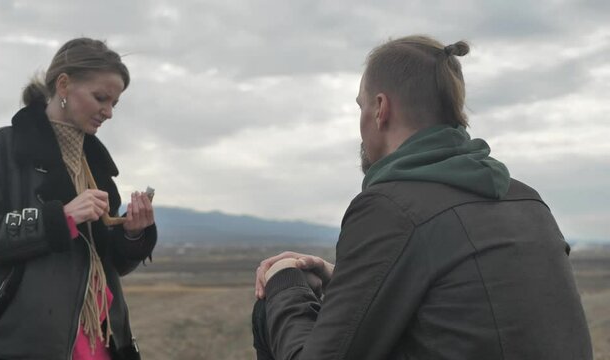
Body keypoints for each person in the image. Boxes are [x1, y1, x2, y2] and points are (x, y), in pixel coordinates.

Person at [252, 35, 593, 360]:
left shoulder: (390, 208)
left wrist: (284, 282)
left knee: (269, 307)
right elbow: (464, 315)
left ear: (380, 109)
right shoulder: (526, 200)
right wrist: (343, 278)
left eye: (361, 105)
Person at [0, 38, 157, 359]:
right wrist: (60, 218)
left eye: (115, 103)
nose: (109, 112)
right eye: (101, 98)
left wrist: (133, 234)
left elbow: (104, 263)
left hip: (102, 339)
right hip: (20, 344)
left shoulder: (96, 165)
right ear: (64, 85)